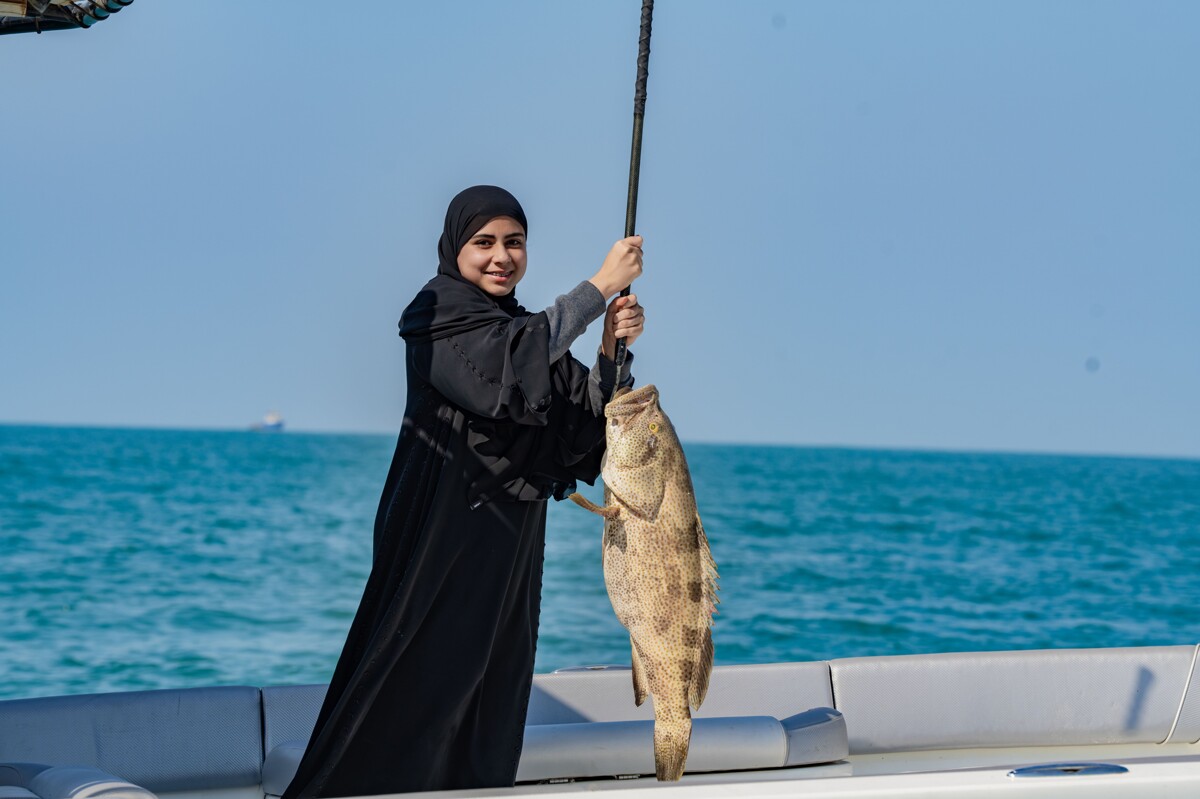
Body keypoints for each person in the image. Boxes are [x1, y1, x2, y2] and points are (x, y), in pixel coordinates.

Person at [282, 185, 646, 798]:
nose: (501, 257)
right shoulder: (436, 312)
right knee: (419, 681)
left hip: (511, 540)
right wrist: (598, 287)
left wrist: (611, 347)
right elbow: (502, 375)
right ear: (456, 247)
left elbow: (582, 430)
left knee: (490, 690)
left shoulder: (524, 327)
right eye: (484, 243)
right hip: (442, 533)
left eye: (514, 243)